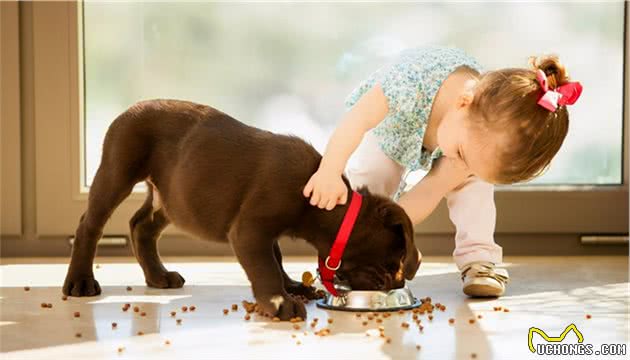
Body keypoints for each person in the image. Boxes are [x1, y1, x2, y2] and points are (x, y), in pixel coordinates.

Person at [303, 45, 582, 297]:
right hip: (394, 127)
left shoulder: (480, 128)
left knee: (473, 188)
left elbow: (425, 195)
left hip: (456, 131)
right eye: (462, 155)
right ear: (463, 103)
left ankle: (479, 258)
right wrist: (329, 169)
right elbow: (357, 120)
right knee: (372, 178)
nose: (462, 166)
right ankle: (348, 259)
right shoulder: (406, 84)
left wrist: (447, 177)